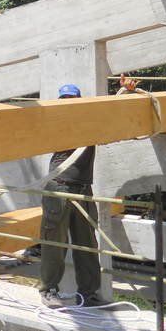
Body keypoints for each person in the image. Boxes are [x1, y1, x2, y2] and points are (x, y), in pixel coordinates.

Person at [38, 84, 107, 308]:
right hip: (60, 188)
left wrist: (126, 91)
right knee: (54, 243)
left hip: (82, 189)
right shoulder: (57, 122)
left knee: (86, 244)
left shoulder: (91, 122)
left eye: (72, 98)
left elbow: (115, 114)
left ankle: (88, 294)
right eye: (64, 98)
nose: (68, 101)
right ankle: (48, 290)